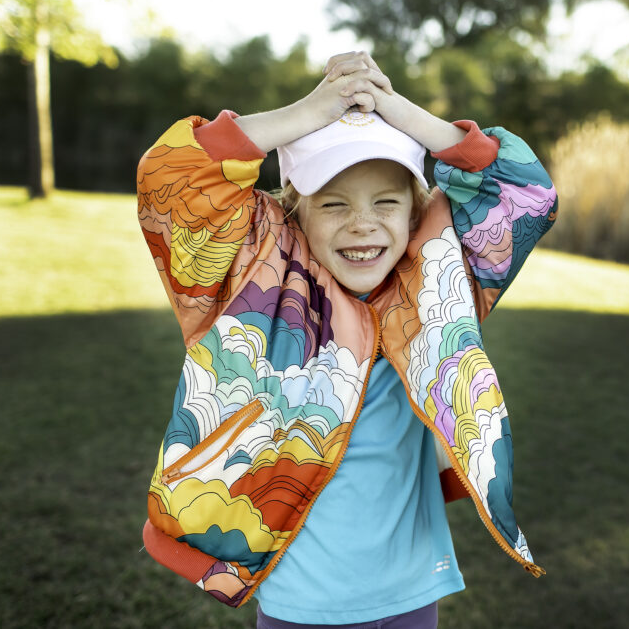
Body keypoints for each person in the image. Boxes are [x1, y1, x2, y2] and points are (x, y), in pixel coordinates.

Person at [137, 51, 557, 628]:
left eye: (386, 201)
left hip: (413, 595)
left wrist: (395, 109)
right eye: (334, 204)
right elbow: (171, 179)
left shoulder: (438, 275)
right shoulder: (256, 280)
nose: (363, 224)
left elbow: (525, 192)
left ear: (416, 213)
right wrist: (312, 110)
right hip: (303, 608)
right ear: (293, 213)